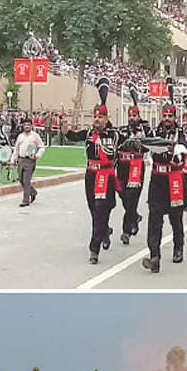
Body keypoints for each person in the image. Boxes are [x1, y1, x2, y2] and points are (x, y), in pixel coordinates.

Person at [62, 77, 121, 264]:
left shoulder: (116, 134)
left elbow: (133, 146)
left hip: (107, 176)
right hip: (91, 176)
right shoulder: (89, 133)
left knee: (101, 208)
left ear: (107, 118)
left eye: (100, 116)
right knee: (93, 210)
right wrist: (64, 130)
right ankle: (103, 230)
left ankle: (94, 249)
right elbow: (73, 136)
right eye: (95, 116)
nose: (96, 119)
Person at [141, 100, 187, 273]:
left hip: (174, 179)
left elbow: (185, 147)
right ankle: (154, 256)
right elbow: (145, 145)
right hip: (157, 178)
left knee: (175, 218)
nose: (167, 118)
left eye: (170, 115)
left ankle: (179, 246)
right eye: (165, 115)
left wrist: (175, 149)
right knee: (154, 217)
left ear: (175, 117)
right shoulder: (155, 132)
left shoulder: (181, 132)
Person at [115, 85, 152, 245]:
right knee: (123, 195)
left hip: (136, 166)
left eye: (135, 115)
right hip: (122, 167)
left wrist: (141, 130)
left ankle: (126, 230)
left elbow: (150, 141)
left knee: (132, 199)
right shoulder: (122, 130)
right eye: (130, 115)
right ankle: (135, 217)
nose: (132, 118)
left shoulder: (144, 129)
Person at [11, 116, 45, 207]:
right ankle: (32, 192)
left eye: (28, 125)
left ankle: (25, 200)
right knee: (21, 179)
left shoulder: (35, 136)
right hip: (21, 159)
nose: (26, 127)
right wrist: (13, 160)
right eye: (25, 125)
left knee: (26, 180)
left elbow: (41, 147)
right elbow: (16, 149)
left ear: (31, 126)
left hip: (30, 160)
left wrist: (37, 156)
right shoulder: (20, 136)